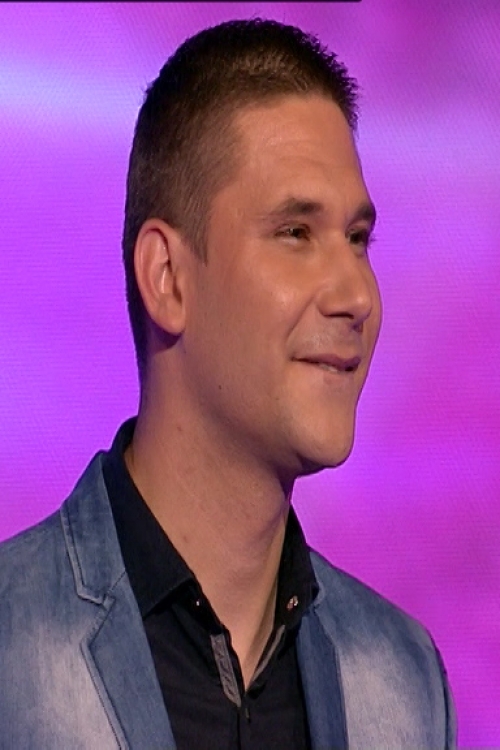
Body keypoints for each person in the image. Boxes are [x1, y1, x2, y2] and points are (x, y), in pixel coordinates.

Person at [0, 18, 456, 749]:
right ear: (168, 278)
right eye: (296, 233)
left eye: (357, 239)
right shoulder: (12, 653)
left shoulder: (405, 682)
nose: (357, 295)